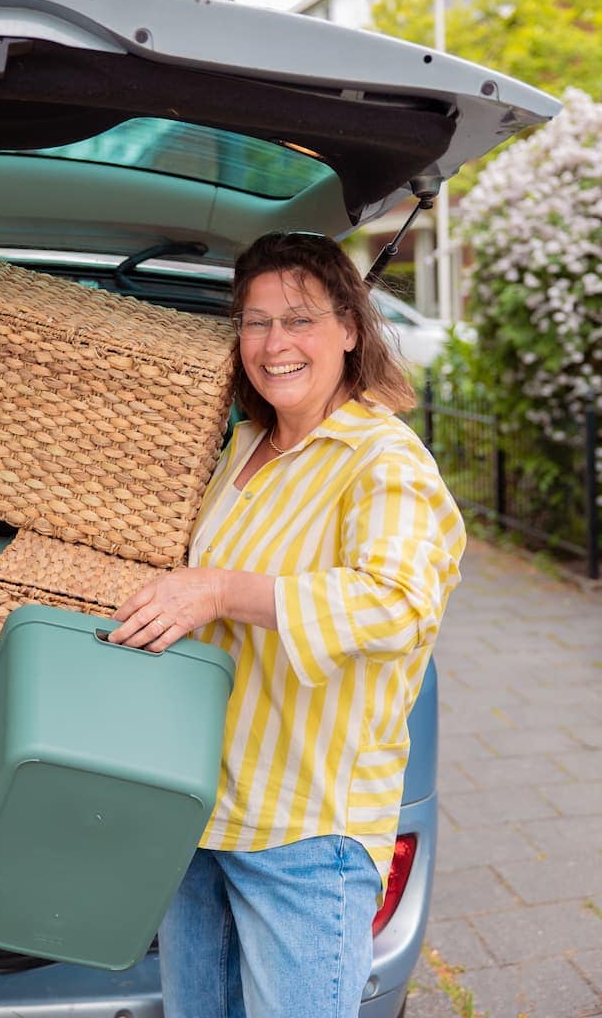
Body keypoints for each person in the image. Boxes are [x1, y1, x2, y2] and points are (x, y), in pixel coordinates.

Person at [108, 231, 466, 1018]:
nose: (275, 344)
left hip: (304, 833)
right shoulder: (244, 444)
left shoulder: (383, 459)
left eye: (300, 320)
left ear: (350, 328)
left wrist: (221, 591)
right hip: (200, 809)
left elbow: (397, 603)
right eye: (256, 322)